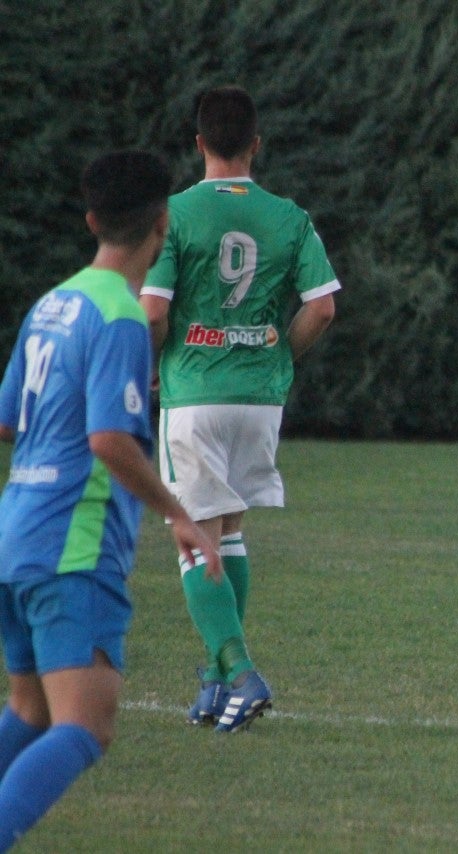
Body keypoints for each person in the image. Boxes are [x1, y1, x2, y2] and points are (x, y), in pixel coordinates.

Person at [0, 151, 221, 850]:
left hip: (16, 538)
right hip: (73, 545)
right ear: (162, 225)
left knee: (31, 712)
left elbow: (8, 417)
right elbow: (109, 440)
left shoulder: (53, 302)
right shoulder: (121, 317)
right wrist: (178, 511)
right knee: (85, 727)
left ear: (93, 220)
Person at [139, 86, 339, 732]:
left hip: (195, 393)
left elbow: (154, 310)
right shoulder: (290, 216)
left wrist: (145, 370)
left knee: (194, 538)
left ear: (197, 144)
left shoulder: (172, 214)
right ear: (257, 143)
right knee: (229, 532)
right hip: (259, 397)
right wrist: (281, 355)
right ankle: (216, 677)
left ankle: (241, 669)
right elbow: (323, 306)